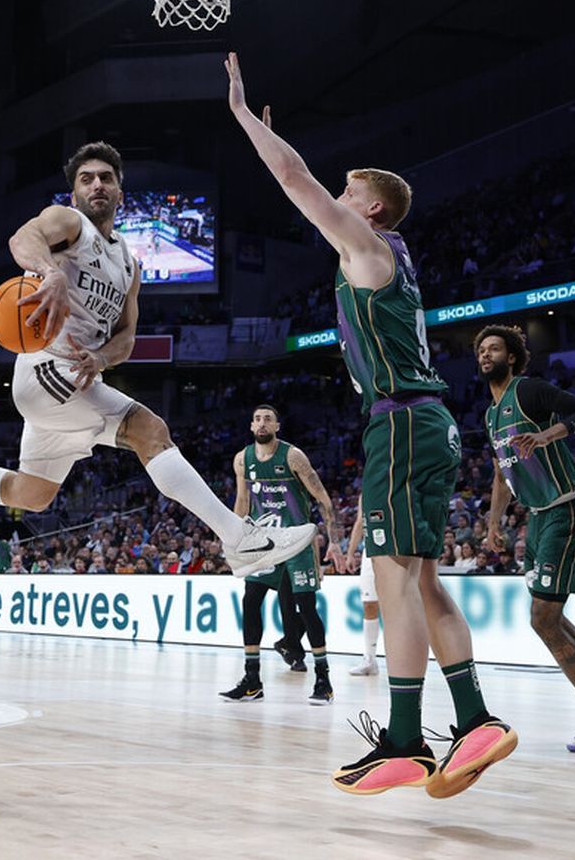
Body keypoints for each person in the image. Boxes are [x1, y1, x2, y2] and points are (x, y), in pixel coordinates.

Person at [225, 52, 514, 800]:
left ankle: (408, 739)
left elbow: (294, 181)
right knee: (422, 579)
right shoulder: (393, 255)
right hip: (428, 422)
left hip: (402, 424)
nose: (337, 195)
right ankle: (477, 720)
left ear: (373, 209)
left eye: (350, 190)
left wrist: (244, 119)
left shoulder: (368, 247)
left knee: (396, 583)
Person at [0, 142, 314, 581]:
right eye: (86, 179)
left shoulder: (129, 263)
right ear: (74, 194)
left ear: (121, 192)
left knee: (32, 495)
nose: (97, 185)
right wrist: (51, 273)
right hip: (47, 367)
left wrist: (102, 356)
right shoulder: (68, 223)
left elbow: (127, 337)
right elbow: (22, 237)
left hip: (74, 378)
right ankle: (239, 539)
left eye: (106, 178)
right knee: (150, 431)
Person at [476, 325, 575, 753]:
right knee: (552, 617)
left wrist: (548, 434)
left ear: (511, 357)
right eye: (480, 350)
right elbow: (501, 472)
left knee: (542, 620)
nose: (485, 354)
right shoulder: (491, 415)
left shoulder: (528, 392)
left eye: (493, 348)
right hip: (539, 515)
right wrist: (494, 524)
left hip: (567, 507)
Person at [220, 405, 346, 705]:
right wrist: (235, 541)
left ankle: (323, 680)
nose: (262, 423)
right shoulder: (242, 459)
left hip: (298, 540)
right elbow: (242, 499)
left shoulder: (293, 456)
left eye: (268, 419)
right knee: (250, 603)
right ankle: (252, 680)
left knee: (306, 608)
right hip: (264, 542)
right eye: (258, 419)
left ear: (277, 426)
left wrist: (334, 541)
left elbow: (323, 499)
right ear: (251, 426)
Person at [343, 507, 381, 677]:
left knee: (398, 606)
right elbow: (360, 521)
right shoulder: (368, 486)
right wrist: (350, 553)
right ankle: (370, 659)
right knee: (369, 605)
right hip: (371, 550)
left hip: (395, 548)